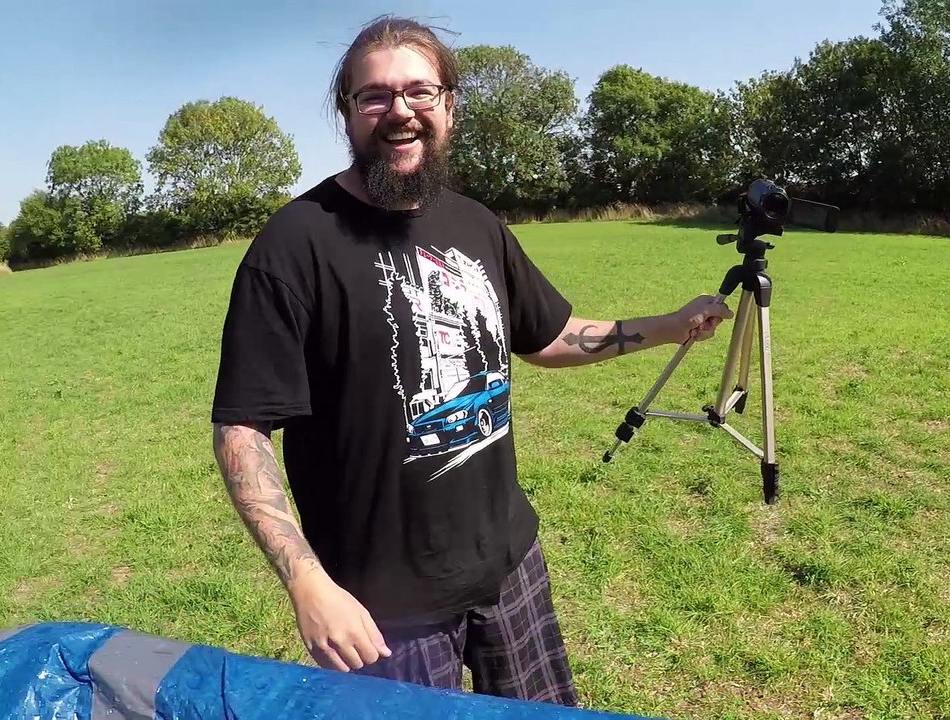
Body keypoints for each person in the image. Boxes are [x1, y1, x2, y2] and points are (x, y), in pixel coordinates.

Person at [208, 14, 732, 708]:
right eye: (375, 95)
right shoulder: (294, 244)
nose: (400, 111)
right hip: (379, 608)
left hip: (508, 565)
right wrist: (308, 583)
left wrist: (670, 326)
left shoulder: (476, 223)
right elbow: (242, 430)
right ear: (348, 113)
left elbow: (547, 334)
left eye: (420, 92)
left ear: (450, 105)